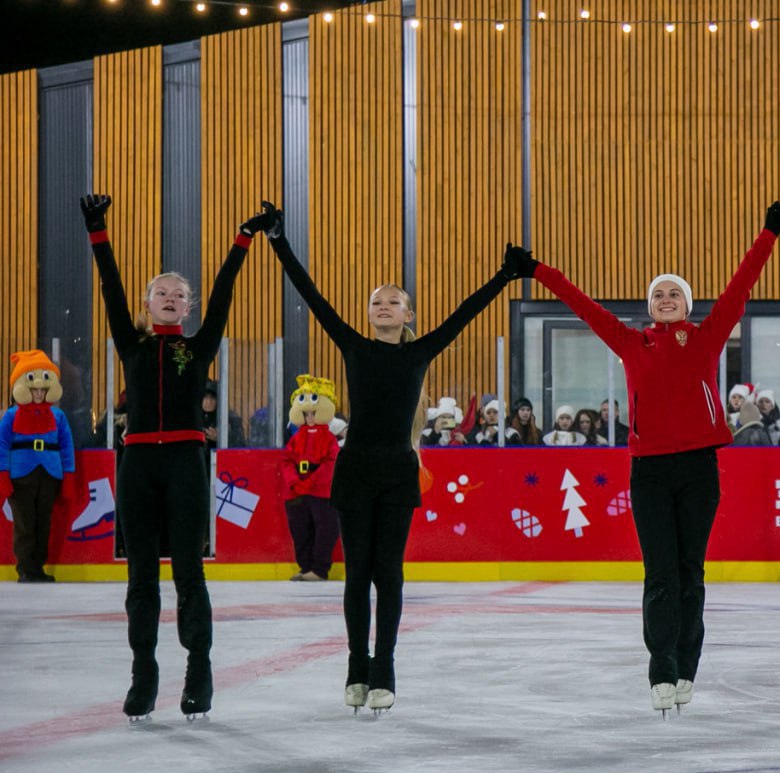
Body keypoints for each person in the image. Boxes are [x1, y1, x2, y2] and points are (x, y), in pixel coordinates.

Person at [503, 200, 780, 714]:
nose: (665, 297)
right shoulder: (632, 344)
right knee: (660, 573)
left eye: (674, 292)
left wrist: (768, 234)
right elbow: (584, 305)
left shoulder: (708, 336)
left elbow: (741, 287)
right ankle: (662, 667)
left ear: (689, 303)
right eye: (658, 294)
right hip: (650, 471)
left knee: (690, 572)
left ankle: (686, 664)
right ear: (650, 307)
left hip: (699, 468)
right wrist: (538, 271)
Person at [264, 204, 516, 714]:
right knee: (357, 574)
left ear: (407, 315)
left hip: (397, 472)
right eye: (377, 302)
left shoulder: (419, 352)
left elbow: (466, 312)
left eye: (393, 302)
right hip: (354, 471)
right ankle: (358, 665)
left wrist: (504, 276)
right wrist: (278, 241)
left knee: (389, 574)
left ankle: (386, 667)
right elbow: (311, 296)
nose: (383, 307)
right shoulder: (353, 347)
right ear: (369, 312)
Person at [81, 193, 267, 720]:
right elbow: (110, 288)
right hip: (137, 464)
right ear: (147, 304)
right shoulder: (132, 344)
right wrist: (98, 231)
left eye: (178, 294)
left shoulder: (200, 345)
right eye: (160, 292)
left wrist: (242, 240)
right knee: (141, 574)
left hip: (186, 463)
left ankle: (199, 671)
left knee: (189, 571)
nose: (169, 298)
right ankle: (144, 673)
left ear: (188, 307)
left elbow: (226, 291)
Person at [0, 350, 77, 582]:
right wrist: (3, 476)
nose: (39, 393)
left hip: (49, 473)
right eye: (34, 389)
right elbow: (2, 446)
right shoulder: (11, 416)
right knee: (25, 523)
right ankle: (26, 568)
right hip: (20, 474)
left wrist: (69, 477)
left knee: (44, 522)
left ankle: (38, 567)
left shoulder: (58, 416)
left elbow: (66, 447)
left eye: (43, 389)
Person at [281, 374, 342, 582]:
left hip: (320, 491)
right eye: (306, 413)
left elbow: (330, 463)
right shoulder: (297, 438)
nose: (309, 417)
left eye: (313, 413)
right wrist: (294, 481)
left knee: (325, 528)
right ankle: (306, 565)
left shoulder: (329, 438)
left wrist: (310, 482)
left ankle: (319, 568)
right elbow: (287, 461)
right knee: (300, 529)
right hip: (296, 490)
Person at [201, 380, 246, 449]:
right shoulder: (194, 417)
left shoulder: (230, 418)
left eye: (212, 398)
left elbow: (241, 445)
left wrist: (221, 439)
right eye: (205, 397)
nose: (209, 402)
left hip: (222, 458)